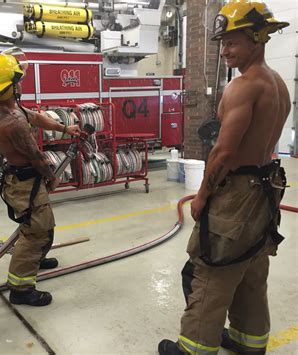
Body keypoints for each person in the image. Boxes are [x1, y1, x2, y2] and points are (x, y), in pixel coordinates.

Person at [158, 1, 290, 354]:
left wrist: (201, 195)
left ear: (257, 39)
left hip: (238, 194)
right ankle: (250, 341)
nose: (225, 50)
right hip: (264, 191)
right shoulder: (277, 83)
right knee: (250, 268)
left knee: (212, 273)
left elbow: (224, 152)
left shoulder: (244, 86)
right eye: (223, 42)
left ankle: (193, 349)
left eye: (233, 41)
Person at [0, 48, 81, 306]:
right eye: (18, 80)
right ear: (10, 87)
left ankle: (36, 258)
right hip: (26, 183)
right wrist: (52, 176)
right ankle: (21, 289)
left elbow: (33, 116)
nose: (21, 83)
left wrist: (64, 127)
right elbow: (36, 156)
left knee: (43, 225)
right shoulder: (12, 122)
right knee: (35, 232)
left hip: (20, 180)